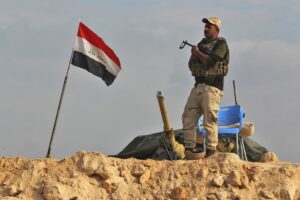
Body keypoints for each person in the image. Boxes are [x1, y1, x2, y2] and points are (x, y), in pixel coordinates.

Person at [182, 17, 229, 159]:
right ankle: (189, 151)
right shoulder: (201, 44)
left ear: (217, 29)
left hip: (212, 87)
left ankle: (210, 152)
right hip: (198, 86)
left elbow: (209, 63)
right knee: (188, 117)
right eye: (205, 26)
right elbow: (192, 66)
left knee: (210, 121)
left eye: (209, 26)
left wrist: (197, 53)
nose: (206, 28)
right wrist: (192, 55)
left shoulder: (221, 43)